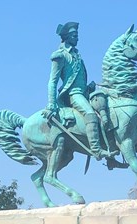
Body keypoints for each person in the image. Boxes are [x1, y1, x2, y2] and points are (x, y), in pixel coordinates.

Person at [45, 21, 116, 161]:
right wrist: (51, 104)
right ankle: (97, 150)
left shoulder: (77, 54)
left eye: (77, 35)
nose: (77, 38)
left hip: (84, 93)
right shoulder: (60, 55)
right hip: (74, 94)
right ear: (66, 37)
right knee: (90, 114)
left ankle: (112, 153)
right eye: (74, 35)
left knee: (107, 111)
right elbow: (52, 81)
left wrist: (88, 87)